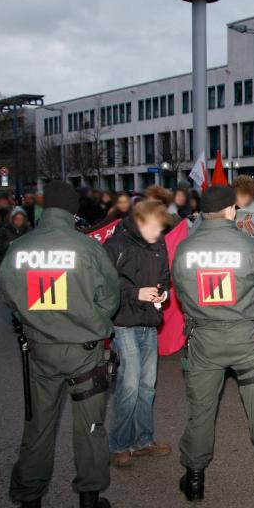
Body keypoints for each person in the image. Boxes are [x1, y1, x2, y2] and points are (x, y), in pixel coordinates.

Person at [0, 180, 120, 508]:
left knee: (38, 426)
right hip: (85, 350)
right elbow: (110, 298)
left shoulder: (20, 248)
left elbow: (7, 294)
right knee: (90, 426)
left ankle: (29, 499)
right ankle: (89, 499)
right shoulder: (88, 248)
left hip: (40, 350)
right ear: (73, 210)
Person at [171, 185, 254, 501]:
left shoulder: (184, 249)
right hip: (245, 337)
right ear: (230, 210)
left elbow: (182, 294)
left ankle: (194, 479)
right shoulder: (248, 246)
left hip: (205, 339)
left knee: (202, 409)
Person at [103, 200, 173, 468]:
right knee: (129, 384)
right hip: (123, 322)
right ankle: (119, 444)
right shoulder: (115, 245)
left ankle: (143, 441)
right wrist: (135, 293)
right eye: (155, 227)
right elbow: (103, 286)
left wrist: (162, 293)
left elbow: (165, 277)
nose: (159, 233)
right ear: (141, 222)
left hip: (148, 320)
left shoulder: (158, 245)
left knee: (147, 385)